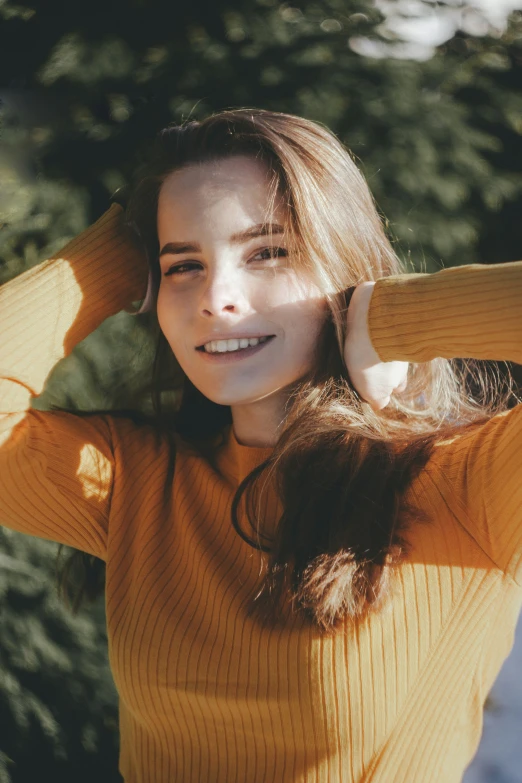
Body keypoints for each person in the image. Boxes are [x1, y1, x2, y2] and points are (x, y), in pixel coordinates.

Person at [1, 108, 521, 783]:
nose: (216, 297)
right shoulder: (133, 483)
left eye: (269, 251)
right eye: (182, 264)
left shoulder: (463, 485)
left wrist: (396, 317)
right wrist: (121, 246)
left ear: (344, 260)